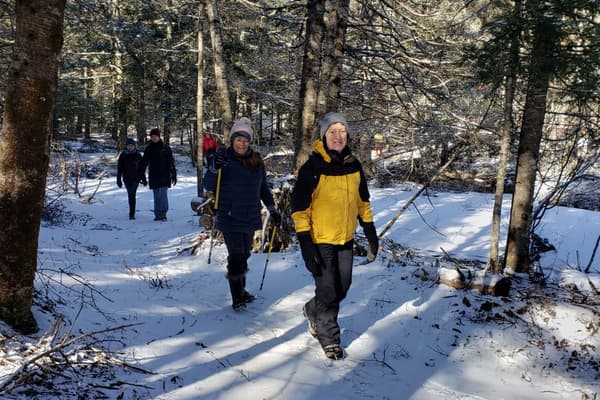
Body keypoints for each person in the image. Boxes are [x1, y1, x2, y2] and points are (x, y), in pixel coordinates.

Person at [291, 112, 379, 360]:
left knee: (343, 287)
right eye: (332, 132)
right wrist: (306, 243)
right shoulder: (313, 168)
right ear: (324, 136)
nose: (338, 136)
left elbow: (363, 202)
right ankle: (329, 337)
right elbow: (299, 209)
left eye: (342, 131)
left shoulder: (354, 165)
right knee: (328, 289)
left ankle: (312, 309)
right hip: (320, 240)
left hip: (345, 239)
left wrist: (371, 233)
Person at [203, 117, 281, 311]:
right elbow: (208, 184)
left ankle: (242, 290)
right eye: (239, 139)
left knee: (244, 254)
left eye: (246, 140)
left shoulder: (256, 161)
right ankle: (237, 296)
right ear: (232, 140)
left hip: (250, 214)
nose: (242, 143)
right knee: (236, 256)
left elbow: (263, 188)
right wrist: (214, 167)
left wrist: (272, 208)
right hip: (229, 215)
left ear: (250, 142)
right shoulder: (223, 158)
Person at [139, 128, 177, 221]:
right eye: (152, 137)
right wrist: (142, 175)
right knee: (156, 196)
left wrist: (173, 173)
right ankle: (158, 214)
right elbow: (144, 162)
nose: (154, 138)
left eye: (155, 136)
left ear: (159, 137)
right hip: (154, 175)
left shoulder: (165, 147)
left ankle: (163, 212)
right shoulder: (149, 148)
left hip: (164, 174)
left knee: (163, 195)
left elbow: (171, 161)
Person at [116, 138, 146, 220]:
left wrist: (144, 179)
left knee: (132, 194)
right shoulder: (123, 155)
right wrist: (118, 180)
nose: (130, 147)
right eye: (129, 145)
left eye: (132, 145)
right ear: (126, 146)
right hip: (126, 178)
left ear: (134, 146)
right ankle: (131, 212)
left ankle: (132, 214)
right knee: (130, 195)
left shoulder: (138, 155)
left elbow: (141, 169)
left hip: (136, 179)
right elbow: (119, 169)